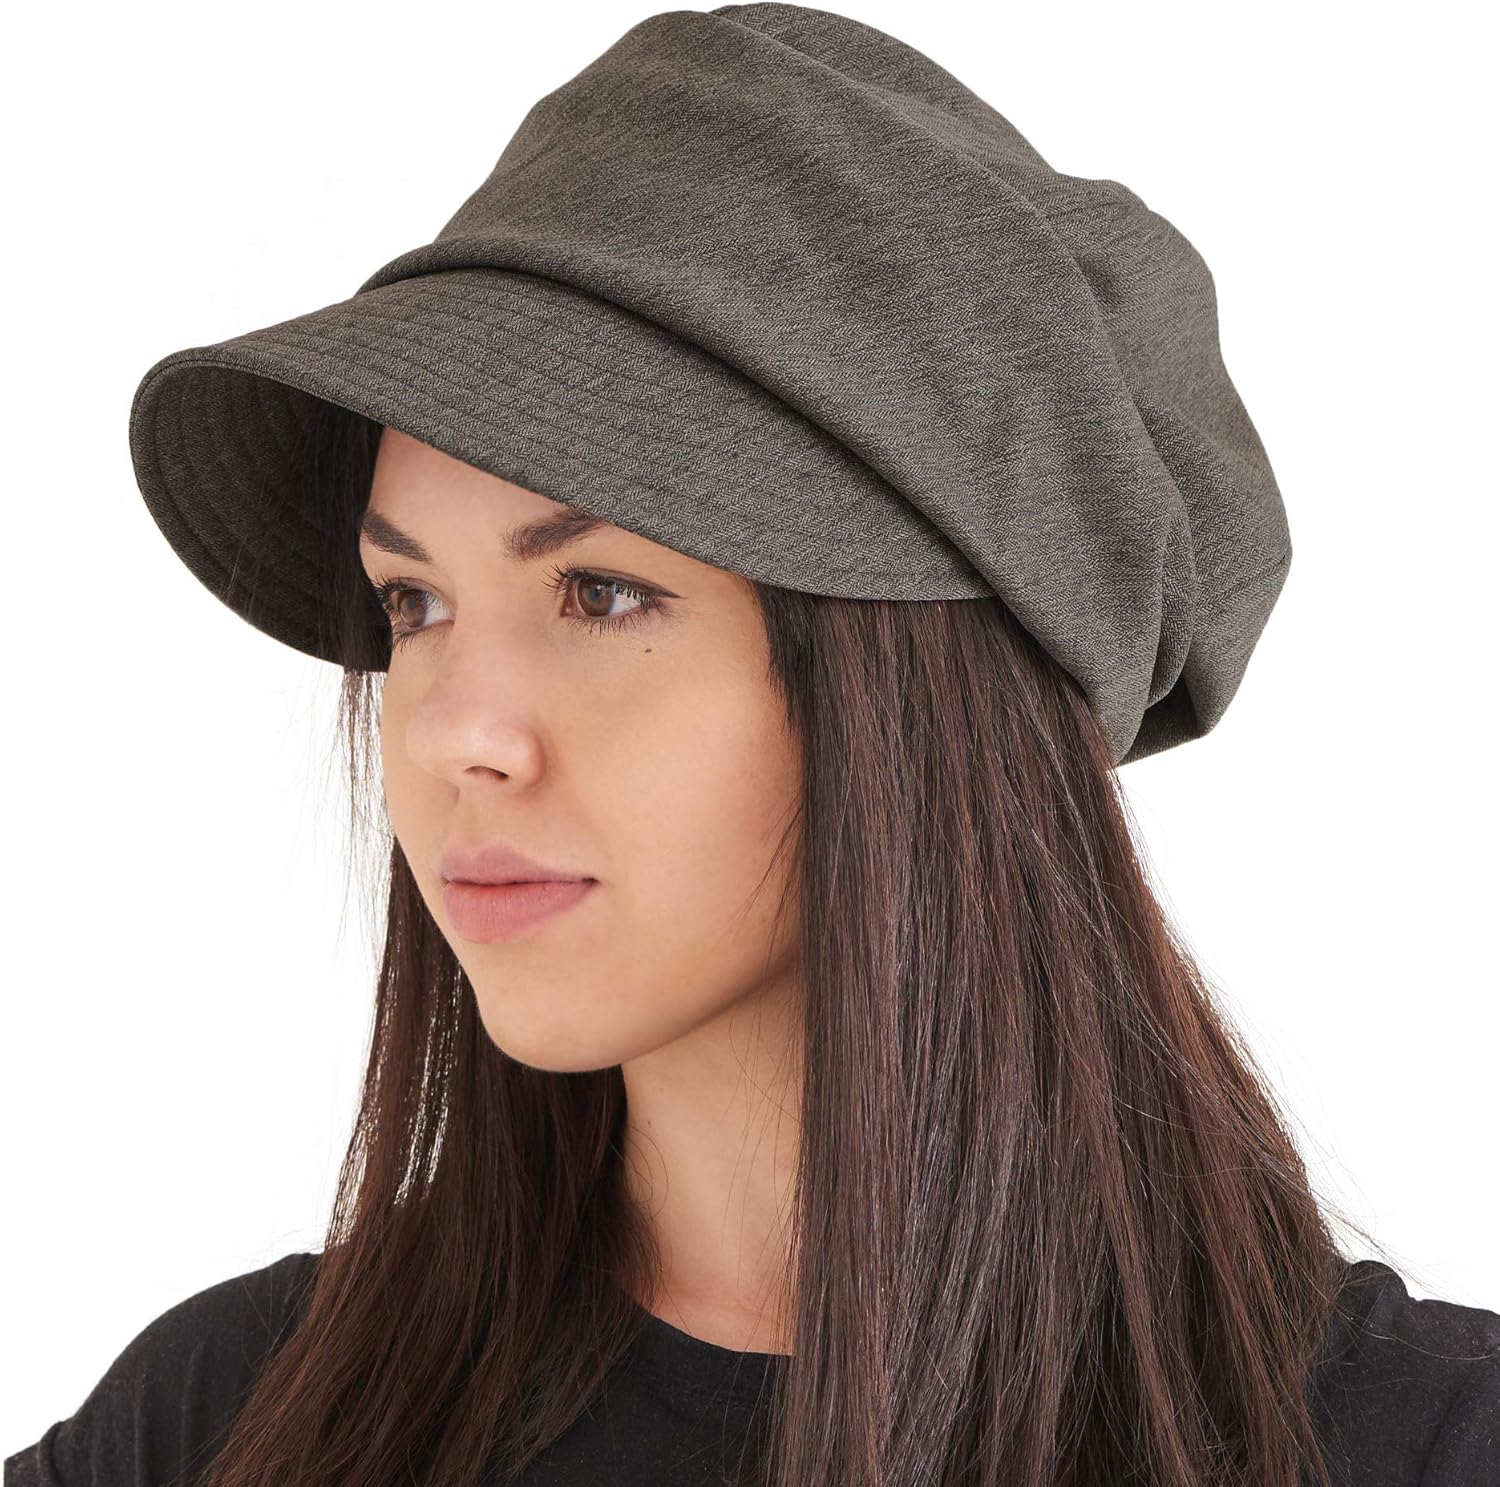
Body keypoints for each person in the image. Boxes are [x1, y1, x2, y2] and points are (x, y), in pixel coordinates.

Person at [8, 4, 1498, 1485]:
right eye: (415, 602)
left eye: (602, 594)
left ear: (922, 689)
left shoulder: (1417, 1448)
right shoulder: (231, 1422)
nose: (458, 731)